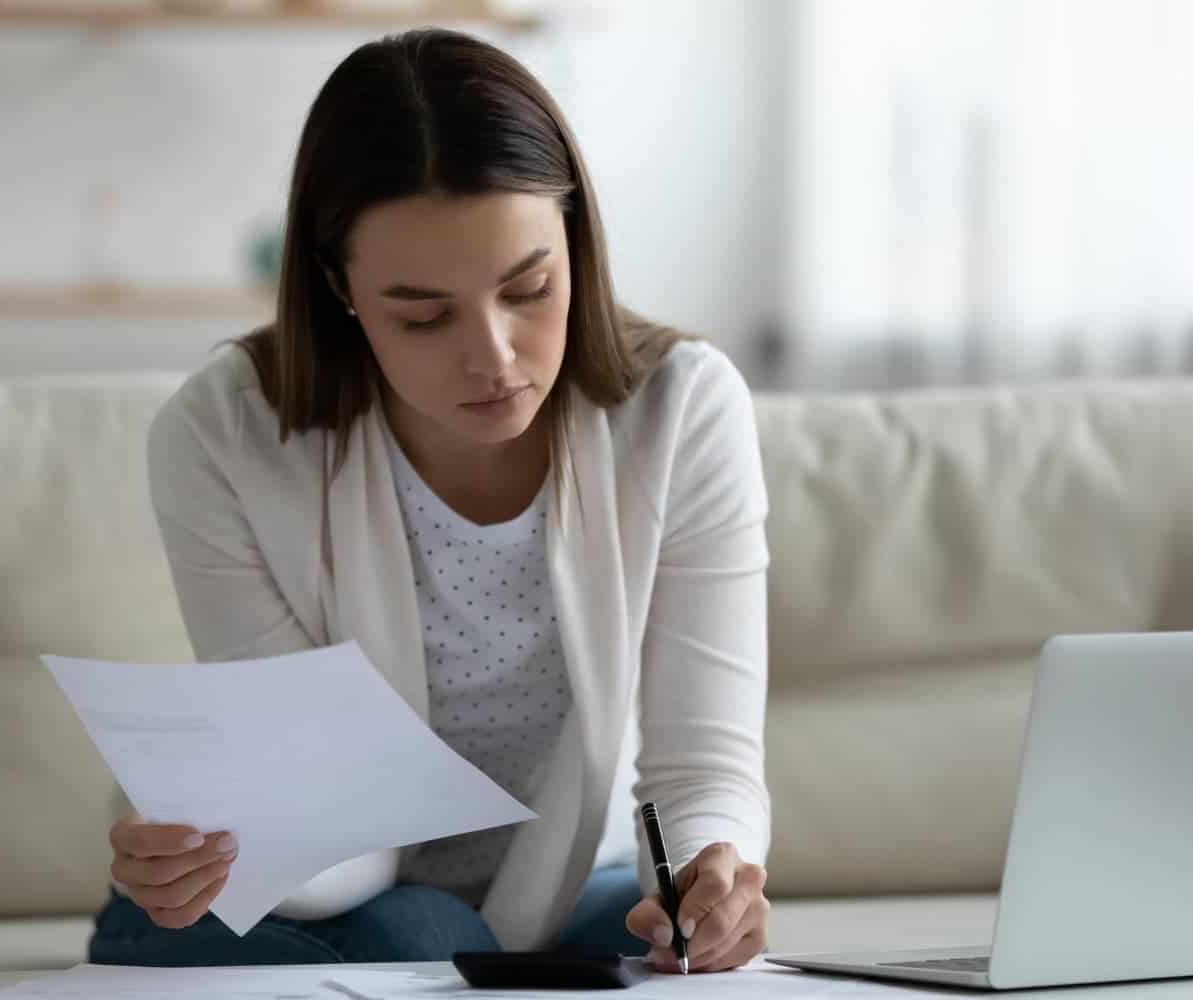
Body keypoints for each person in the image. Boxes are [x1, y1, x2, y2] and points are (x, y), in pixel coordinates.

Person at [90, 27, 772, 974]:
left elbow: (703, 767)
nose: (493, 357)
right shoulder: (224, 436)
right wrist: (207, 842)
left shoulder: (682, 411)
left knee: (658, 949)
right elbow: (322, 817)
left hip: (558, 881)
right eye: (423, 315)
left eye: (530, 288)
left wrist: (711, 878)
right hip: (322, 885)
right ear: (340, 289)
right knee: (423, 938)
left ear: (575, 244)